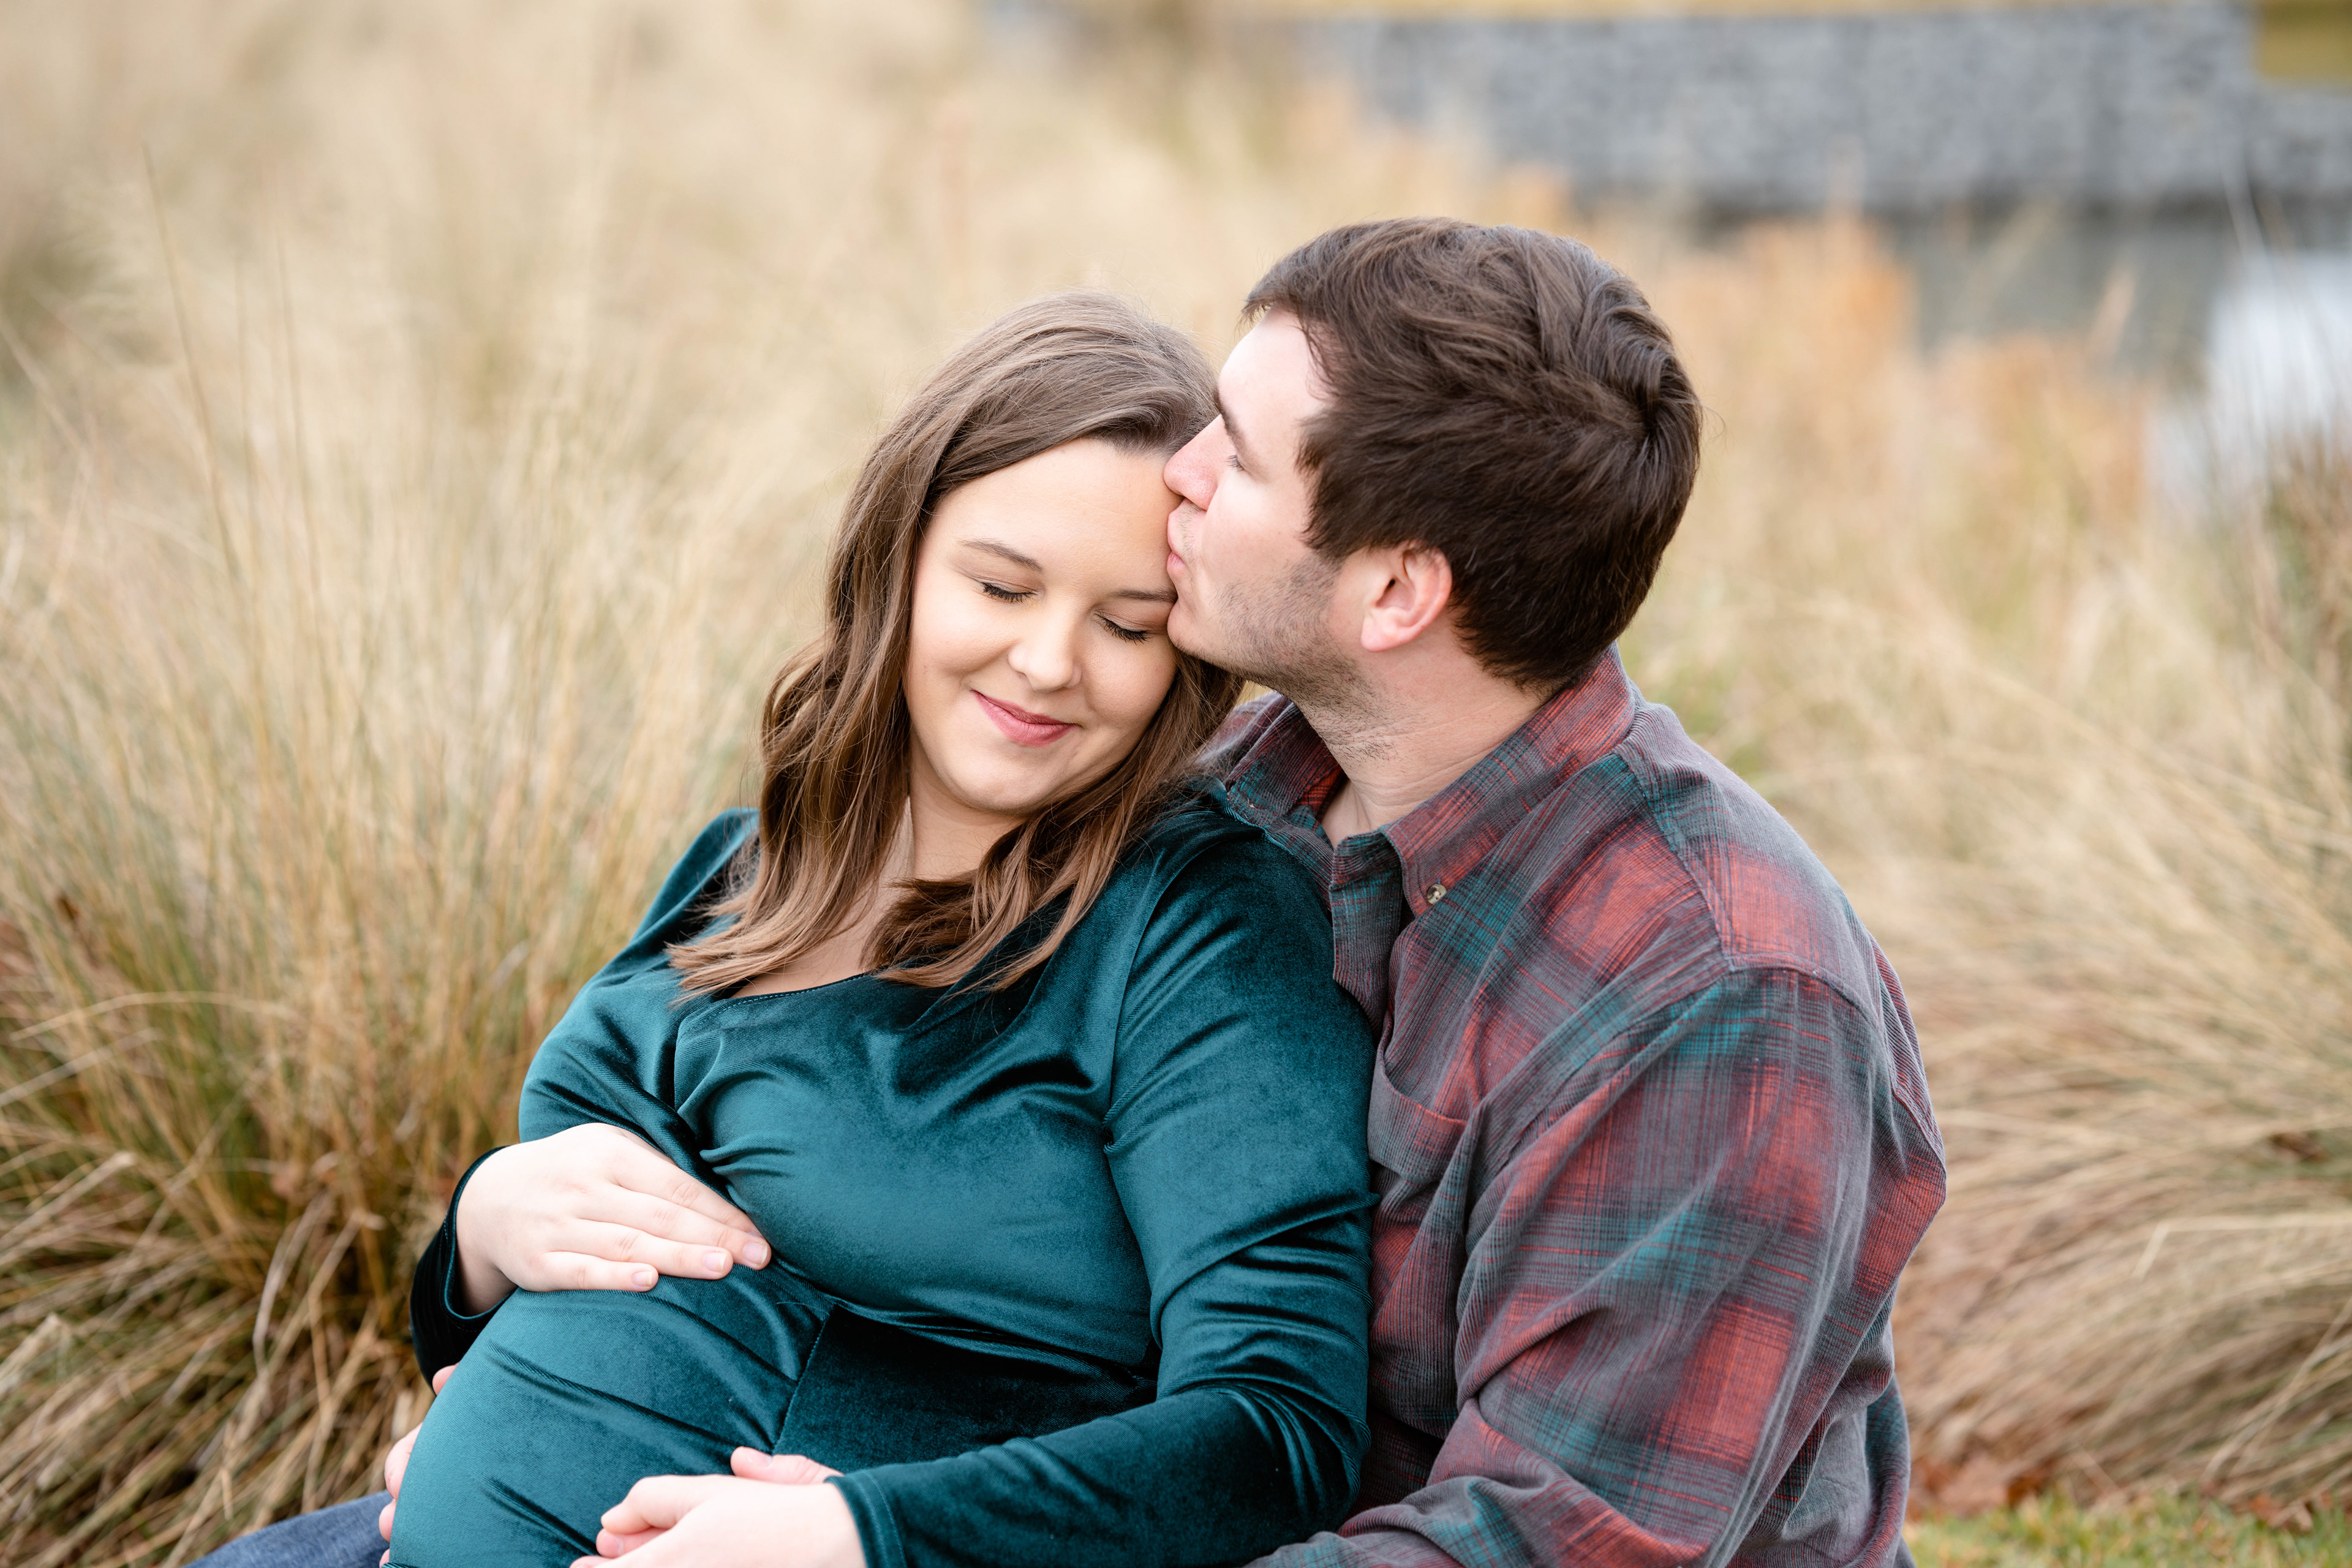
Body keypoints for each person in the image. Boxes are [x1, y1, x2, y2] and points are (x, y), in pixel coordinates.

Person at [214, 218, 1947, 1568]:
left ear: (1399, 590)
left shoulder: (1718, 995)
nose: (1183, 477)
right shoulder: (1263, 785)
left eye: (1240, 461)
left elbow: (1547, 1544)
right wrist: (506, 1326)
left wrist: (885, 1537)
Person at [204, 291, 1382, 1568]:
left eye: (1125, 624)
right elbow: (565, 1278)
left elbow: (1279, 1435)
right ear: (899, 556)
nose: (1049, 660)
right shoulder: (748, 868)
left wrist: (857, 1530)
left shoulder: (1200, 924)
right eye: (1001, 583)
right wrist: (480, 1235)